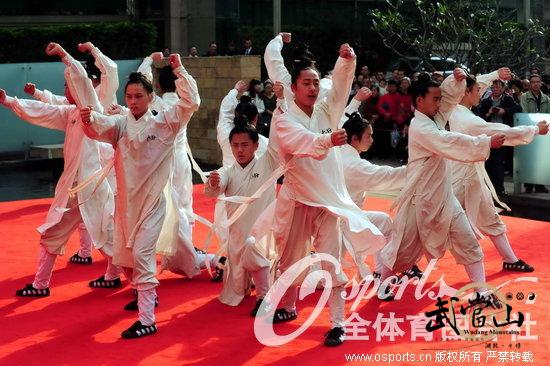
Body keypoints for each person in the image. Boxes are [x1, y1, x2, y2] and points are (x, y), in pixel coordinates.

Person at [271, 43, 386, 347]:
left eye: (314, 82)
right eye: (305, 83)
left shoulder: (326, 110)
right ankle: (287, 305)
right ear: (293, 88)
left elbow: (339, 89)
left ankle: (338, 324)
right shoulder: (284, 119)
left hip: (329, 202)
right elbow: (300, 141)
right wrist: (326, 141)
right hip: (298, 198)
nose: (311, 88)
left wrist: (346, 62)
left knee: (332, 264)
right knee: (289, 259)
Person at [79, 53, 200, 339]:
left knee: (144, 257)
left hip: (152, 204)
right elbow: (98, 128)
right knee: (124, 258)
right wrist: (89, 118)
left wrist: (180, 70)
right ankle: (145, 294)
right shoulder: (121, 125)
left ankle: (148, 319)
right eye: (129, 96)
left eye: (138, 96)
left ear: (150, 97)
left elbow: (191, 102)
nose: (133, 101)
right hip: (125, 205)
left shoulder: (165, 122)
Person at [0, 42, 121, 297]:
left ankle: (42, 284)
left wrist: (65, 56)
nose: (65, 89)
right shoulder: (72, 113)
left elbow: (82, 82)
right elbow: (44, 110)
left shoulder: (91, 109)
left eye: (68, 85)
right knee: (105, 235)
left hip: (87, 186)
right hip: (82, 188)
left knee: (66, 233)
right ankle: (119, 277)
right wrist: (9, 101)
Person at [378, 71, 507, 307]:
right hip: (421, 200)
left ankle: (481, 292)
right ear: (419, 101)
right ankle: (383, 284)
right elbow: (449, 142)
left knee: (469, 242)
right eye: (435, 99)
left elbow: (448, 98)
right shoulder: (421, 127)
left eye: (439, 99)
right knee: (402, 249)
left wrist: (456, 80)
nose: (440, 103)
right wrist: (485, 142)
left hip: (445, 198)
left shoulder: (435, 118)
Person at [446, 69, 548, 274]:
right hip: (458, 177)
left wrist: (494, 74)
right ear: (466, 93)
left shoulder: (454, 108)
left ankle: (510, 258)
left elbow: (475, 84)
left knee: (490, 217)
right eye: (477, 90)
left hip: (469, 174)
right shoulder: (468, 120)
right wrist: (535, 130)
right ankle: (401, 263)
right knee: (435, 221)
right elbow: (503, 133)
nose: (481, 93)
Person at [205, 93, 282, 314]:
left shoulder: (267, 162)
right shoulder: (228, 172)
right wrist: (214, 182)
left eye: (245, 145)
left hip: (264, 232)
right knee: (237, 285)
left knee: (255, 248)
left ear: (256, 145)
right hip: (237, 235)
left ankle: (264, 298)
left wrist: (281, 104)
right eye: (236, 145)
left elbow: (277, 139)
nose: (240, 150)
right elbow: (213, 191)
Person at [477, 79, 522, 195]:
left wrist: (504, 111)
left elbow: (518, 109)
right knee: (488, 162)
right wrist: (488, 113)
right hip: (488, 135)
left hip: (502, 135)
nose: (495, 89)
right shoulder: (486, 101)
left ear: (502, 88)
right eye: (493, 87)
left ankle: (499, 189)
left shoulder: (507, 99)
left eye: (498, 87)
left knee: (499, 162)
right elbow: (479, 117)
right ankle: (487, 189)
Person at [217, 80, 268, 167]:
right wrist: (281, 100)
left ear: (236, 115)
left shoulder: (225, 134)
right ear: (256, 117)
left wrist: (235, 90)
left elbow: (225, 112)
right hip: (257, 180)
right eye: (236, 145)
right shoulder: (265, 143)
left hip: (228, 180)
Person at [519, 74, 550, 193]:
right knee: (528, 157)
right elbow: (525, 114)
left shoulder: (546, 99)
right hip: (530, 130)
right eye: (533, 82)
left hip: (543, 133)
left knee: (541, 158)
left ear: (541, 83)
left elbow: (548, 116)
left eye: (538, 82)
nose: (536, 84)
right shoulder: (524, 97)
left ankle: (540, 184)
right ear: (530, 84)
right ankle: (528, 184)